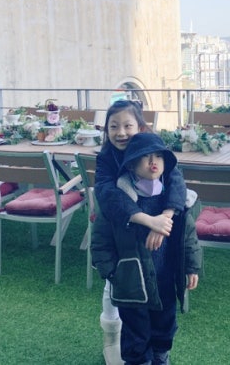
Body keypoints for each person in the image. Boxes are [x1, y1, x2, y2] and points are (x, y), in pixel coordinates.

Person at [92, 132, 201, 365]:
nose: (154, 162)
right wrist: (112, 272)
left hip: (165, 277)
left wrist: (192, 267)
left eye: (159, 156)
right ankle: (138, 360)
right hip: (131, 281)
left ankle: (161, 356)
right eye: (146, 157)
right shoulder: (119, 201)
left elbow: (188, 237)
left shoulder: (172, 202)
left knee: (165, 322)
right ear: (131, 165)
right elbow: (100, 240)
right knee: (135, 329)